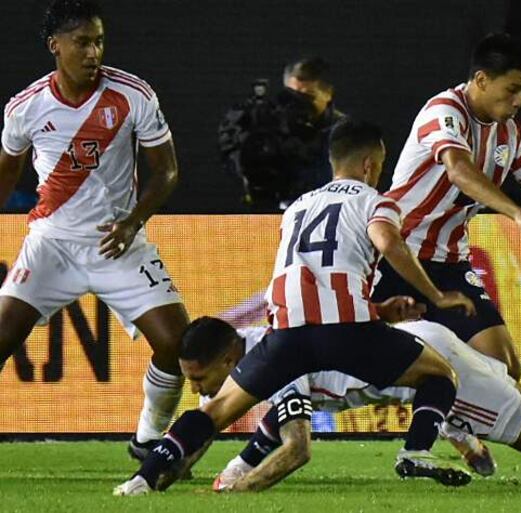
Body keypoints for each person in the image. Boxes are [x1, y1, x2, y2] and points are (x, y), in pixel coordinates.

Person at [113, 118, 479, 496]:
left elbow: (316, 272)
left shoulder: (298, 207)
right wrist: (436, 295)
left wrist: (380, 310)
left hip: (286, 333)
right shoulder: (375, 201)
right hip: (345, 331)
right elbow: (387, 242)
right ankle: (416, 451)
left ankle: (141, 479)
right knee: (439, 375)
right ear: (370, 164)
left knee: (213, 411)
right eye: (380, 165)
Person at [161, 316, 521, 493]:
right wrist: (233, 468)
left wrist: (242, 487)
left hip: (422, 366)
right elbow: (270, 433)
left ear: (227, 356)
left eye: (200, 376)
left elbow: (294, 449)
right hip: (419, 338)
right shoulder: (266, 337)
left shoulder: (262, 366)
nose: (199, 388)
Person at [0, 0, 189, 459]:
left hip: (117, 242)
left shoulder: (133, 94)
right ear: (55, 46)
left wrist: (131, 222)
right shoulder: (25, 108)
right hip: (51, 246)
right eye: (82, 42)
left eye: (99, 41)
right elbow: (5, 175)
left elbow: (166, 172)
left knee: (177, 346)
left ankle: (147, 439)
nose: (93, 52)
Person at [372, 33, 521, 382]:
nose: (519, 99)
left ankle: (452, 419)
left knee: (503, 371)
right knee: (350, 356)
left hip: (449, 264)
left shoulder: (512, 135)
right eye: (512, 89)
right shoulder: (444, 110)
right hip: (394, 253)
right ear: (481, 80)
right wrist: (517, 213)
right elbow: (458, 169)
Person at [218, 57, 344, 211]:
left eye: (307, 97)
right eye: (291, 96)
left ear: (328, 93)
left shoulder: (344, 132)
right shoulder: (268, 126)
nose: (298, 105)